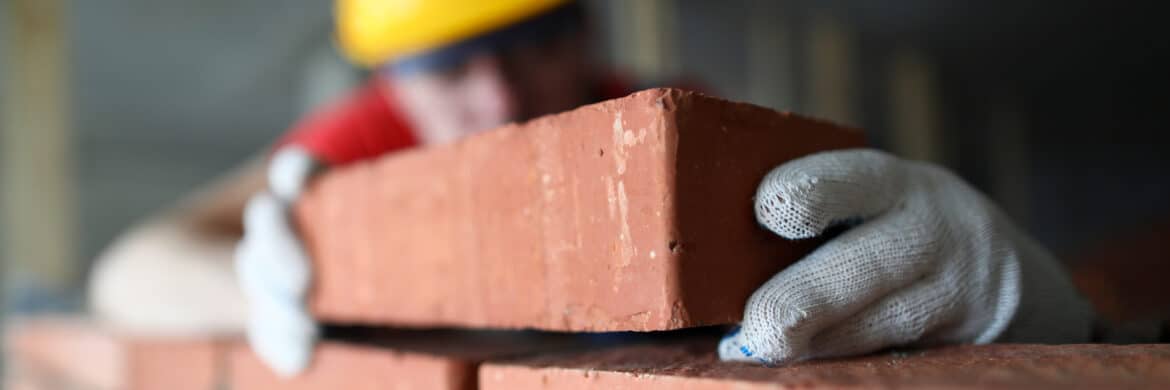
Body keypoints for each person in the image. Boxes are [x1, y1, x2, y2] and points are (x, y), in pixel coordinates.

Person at [88, 0, 1094, 378]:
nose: (493, 96)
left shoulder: (668, 125)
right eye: (450, 68)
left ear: (582, 34)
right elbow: (130, 271)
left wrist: (1031, 317)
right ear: (392, 82)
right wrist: (287, 280)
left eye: (528, 44)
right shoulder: (368, 143)